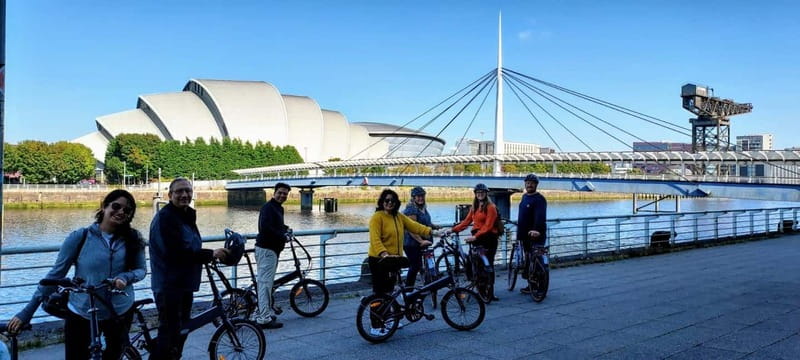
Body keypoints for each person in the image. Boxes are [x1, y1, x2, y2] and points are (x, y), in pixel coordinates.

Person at [9, 189, 147, 360]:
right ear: (104, 206)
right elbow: (55, 275)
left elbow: (141, 270)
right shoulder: (80, 237)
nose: (121, 212)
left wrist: (125, 277)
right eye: (116, 206)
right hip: (82, 311)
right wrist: (27, 312)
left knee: (114, 355)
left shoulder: (133, 239)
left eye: (127, 210)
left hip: (118, 312)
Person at [149, 178, 228, 360]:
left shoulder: (184, 215)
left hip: (184, 282)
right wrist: (210, 254)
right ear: (170, 195)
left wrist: (206, 256)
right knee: (169, 335)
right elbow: (175, 253)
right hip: (169, 285)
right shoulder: (166, 218)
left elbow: (189, 247)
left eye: (187, 191)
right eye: (179, 192)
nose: (184, 195)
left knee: (180, 332)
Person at [368, 189, 444, 294]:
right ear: (382, 202)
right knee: (380, 292)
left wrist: (433, 232)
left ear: (396, 203)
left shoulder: (398, 216)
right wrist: (384, 254)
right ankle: (376, 310)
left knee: (389, 290)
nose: (390, 203)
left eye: (393, 201)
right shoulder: (377, 217)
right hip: (379, 260)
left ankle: (390, 310)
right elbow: (375, 239)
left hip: (394, 260)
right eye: (387, 200)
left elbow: (415, 226)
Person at [451, 183, 501, 301]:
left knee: (488, 264)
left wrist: (476, 237)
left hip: (489, 238)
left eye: (482, 192)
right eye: (478, 193)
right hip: (477, 237)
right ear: (475, 194)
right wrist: (453, 230)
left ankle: (490, 292)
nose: (480, 194)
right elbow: (466, 222)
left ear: (486, 193)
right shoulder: (475, 207)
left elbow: (488, 225)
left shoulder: (491, 207)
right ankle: (482, 289)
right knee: (477, 264)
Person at [254, 182, 291, 329]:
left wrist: (285, 228)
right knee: (265, 285)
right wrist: (283, 237)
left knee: (266, 284)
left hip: (271, 250)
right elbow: (266, 228)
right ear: (274, 193)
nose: (282, 195)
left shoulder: (277, 208)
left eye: (285, 194)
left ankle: (261, 313)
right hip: (267, 250)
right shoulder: (268, 208)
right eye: (280, 193)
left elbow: (275, 225)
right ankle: (263, 319)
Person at [517, 174, 547, 294]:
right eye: (527, 182)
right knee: (529, 259)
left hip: (536, 234)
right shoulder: (524, 197)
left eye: (532, 183)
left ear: (536, 185)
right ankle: (531, 285)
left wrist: (536, 230)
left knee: (537, 260)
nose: (529, 185)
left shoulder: (539, 199)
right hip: (524, 234)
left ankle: (540, 286)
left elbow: (540, 216)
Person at [402, 186, 437, 287]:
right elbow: (412, 228)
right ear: (413, 197)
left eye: (422, 196)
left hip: (423, 242)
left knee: (423, 265)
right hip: (411, 244)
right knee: (415, 266)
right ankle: (408, 290)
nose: (421, 198)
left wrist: (433, 226)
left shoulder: (423, 208)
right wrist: (421, 241)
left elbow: (424, 222)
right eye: (418, 196)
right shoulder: (411, 209)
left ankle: (425, 285)